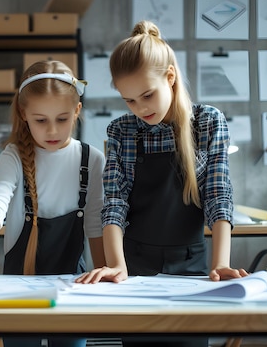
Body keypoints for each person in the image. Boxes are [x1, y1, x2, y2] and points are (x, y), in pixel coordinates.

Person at [75, 20, 249, 346]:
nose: (140, 109)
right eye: (129, 100)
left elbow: (218, 196)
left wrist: (220, 265)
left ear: (170, 77)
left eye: (147, 95)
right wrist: (116, 265)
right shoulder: (122, 131)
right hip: (134, 267)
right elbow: (114, 203)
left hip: (192, 268)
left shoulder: (207, 123)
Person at [0, 60, 106, 347]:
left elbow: (95, 223)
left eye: (63, 118)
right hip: (17, 289)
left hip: (73, 289)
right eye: (41, 120)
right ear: (24, 113)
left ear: (77, 111)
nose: (52, 130)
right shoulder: (14, 155)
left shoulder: (91, 160)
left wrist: (106, 274)